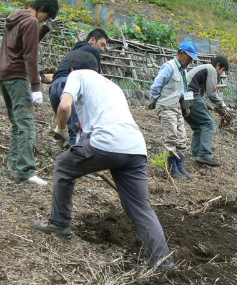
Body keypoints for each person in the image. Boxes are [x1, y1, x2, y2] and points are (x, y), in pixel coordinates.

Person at [33, 50, 174, 271]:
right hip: (135, 148)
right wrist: (95, 161)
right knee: (140, 208)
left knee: (63, 165)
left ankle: (60, 223)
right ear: (97, 69)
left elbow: (63, 106)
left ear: (71, 69)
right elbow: (100, 123)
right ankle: (164, 264)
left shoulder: (76, 76)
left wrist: (60, 129)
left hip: (107, 144)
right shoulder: (112, 86)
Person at [0, 0, 59, 186]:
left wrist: (44, 30)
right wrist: (36, 86)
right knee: (25, 123)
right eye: (46, 17)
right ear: (42, 8)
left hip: (4, 74)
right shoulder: (31, 21)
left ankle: (14, 165)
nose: (44, 21)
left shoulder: (17, 17)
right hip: (18, 76)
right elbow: (30, 55)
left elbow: (23, 46)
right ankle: (25, 171)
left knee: (18, 123)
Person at [49, 28, 108, 147]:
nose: (102, 49)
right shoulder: (91, 52)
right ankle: (74, 159)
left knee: (67, 126)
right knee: (77, 128)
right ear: (92, 40)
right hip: (68, 84)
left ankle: (66, 153)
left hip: (54, 87)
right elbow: (96, 77)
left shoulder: (74, 51)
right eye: (102, 44)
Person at [150, 41, 199, 179]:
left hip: (176, 107)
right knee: (171, 137)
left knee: (182, 138)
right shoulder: (169, 67)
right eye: (189, 57)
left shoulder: (183, 71)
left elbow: (182, 91)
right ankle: (171, 168)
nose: (190, 61)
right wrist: (158, 102)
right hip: (166, 107)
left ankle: (179, 165)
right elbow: (155, 87)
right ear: (181, 53)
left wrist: (185, 106)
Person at [185, 56, 232, 166]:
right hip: (191, 96)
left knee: (198, 126)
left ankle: (197, 154)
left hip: (184, 97)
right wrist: (222, 105)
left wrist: (210, 107)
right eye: (222, 70)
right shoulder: (211, 69)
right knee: (209, 123)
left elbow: (201, 95)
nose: (221, 74)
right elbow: (211, 93)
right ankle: (204, 154)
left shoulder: (203, 69)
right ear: (218, 65)